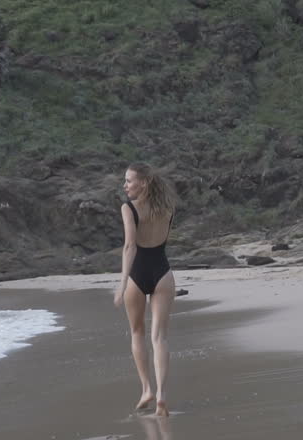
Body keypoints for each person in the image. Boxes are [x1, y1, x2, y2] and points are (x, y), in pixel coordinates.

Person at [113, 163, 177, 417]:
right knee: (159, 337)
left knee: (137, 333)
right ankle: (161, 394)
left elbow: (130, 247)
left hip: (137, 276)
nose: (125, 185)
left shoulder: (128, 208)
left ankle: (147, 389)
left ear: (144, 182)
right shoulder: (168, 208)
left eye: (129, 181)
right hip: (163, 272)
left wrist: (122, 283)